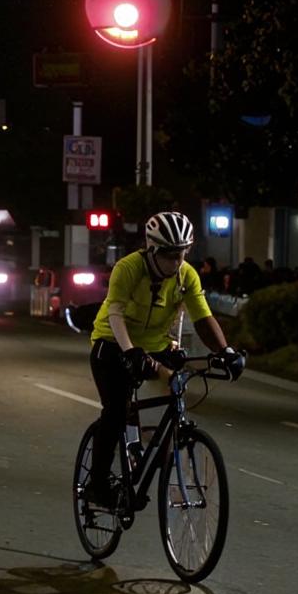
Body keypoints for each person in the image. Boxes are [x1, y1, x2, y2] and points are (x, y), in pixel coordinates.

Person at [86, 212, 244, 507]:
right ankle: (98, 484)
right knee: (116, 411)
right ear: (153, 250)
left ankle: (148, 454)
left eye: (181, 254)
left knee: (172, 399)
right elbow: (116, 312)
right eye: (169, 256)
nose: (176, 263)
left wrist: (226, 352)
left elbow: (202, 317)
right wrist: (130, 351)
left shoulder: (187, 276)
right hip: (112, 342)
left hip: (156, 345)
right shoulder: (129, 268)